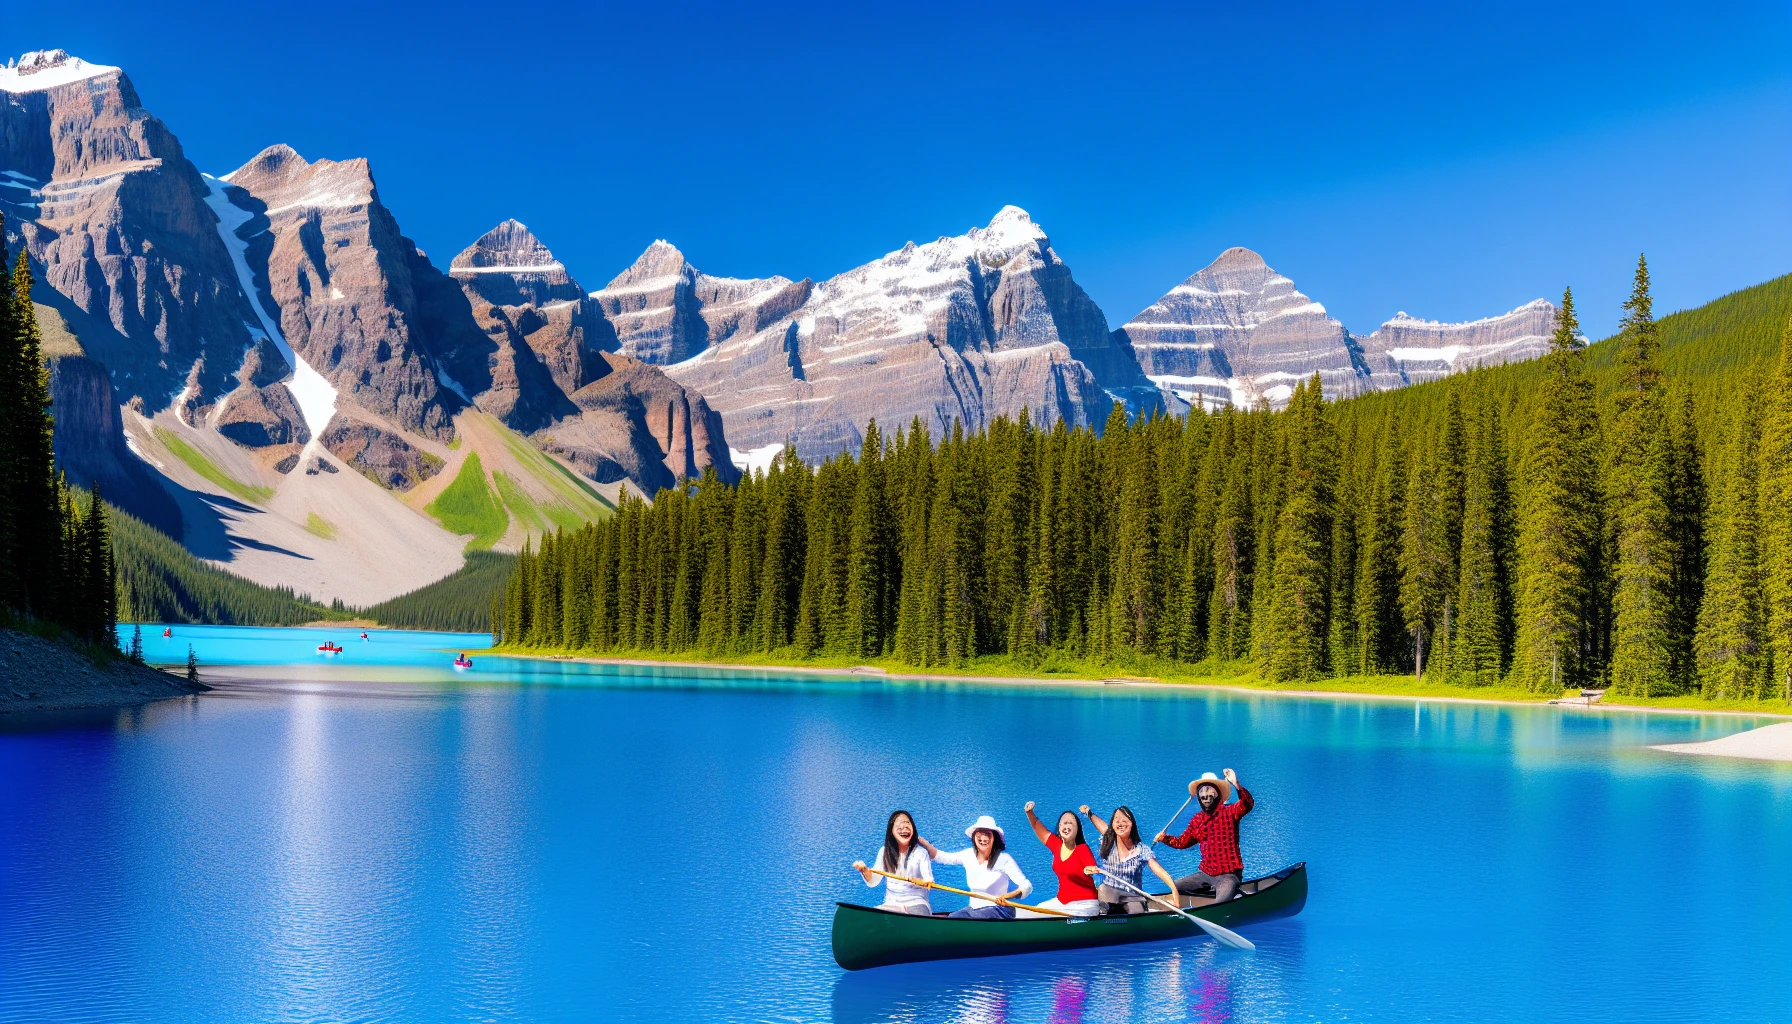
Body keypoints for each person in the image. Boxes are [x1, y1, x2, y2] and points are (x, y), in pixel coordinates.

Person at [1156, 769, 1253, 903]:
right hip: (1205, 875)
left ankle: (1231, 898)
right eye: (1202, 792)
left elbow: (1247, 804)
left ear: (1218, 794)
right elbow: (1182, 842)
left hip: (1228, 876)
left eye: (1209, 792)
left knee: (1221, 902)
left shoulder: (1230, 812)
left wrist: (1236, 783)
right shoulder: (1197, 820)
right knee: (1173, 887)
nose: (1205, 796)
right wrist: (1164, 838)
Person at [918, 815, 1032, 919]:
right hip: (974, 910)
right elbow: (940, 856)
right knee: (953, 917)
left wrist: (1008, 896)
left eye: (988, 833)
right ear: (974, 836)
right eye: (980, 833)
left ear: (994, 838)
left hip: (1000, 910)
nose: (983, 837)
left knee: (962, 918)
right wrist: (920, 840)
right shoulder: (968, 855)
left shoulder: (1004, 859)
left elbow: (1026, 886)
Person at [1081, 803, 1180, 914]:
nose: (1120, 823)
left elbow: (1157, 869)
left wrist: (1174, 890)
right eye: (1116, 820)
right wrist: (1089, 813)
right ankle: (1107, 918)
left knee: (1136, 911)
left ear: (1131, 823)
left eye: (1124, 820)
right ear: (1112, 826)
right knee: (1103, 888)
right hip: (1111, 894)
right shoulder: (1109, 842)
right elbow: (1102, 826)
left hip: (1133, 896)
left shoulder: (1142, 849)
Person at [1022, 801, 1100, 918]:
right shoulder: (1056, 845)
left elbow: (1092, 868)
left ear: (1077, 829)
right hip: (1062, 902)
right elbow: (1037, 825)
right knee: (1036, 911)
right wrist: (1029, 813)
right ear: (1059, 828)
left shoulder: (1082, 849)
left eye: (1070, 823)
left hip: (1085, 904)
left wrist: (1090, 870)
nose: (1066, 826)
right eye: (1063, 823)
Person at [853, 810, 934, 915]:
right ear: (892, 831)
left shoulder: (921, 853)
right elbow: (873, 881)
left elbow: (928, 879)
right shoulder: (884, 852)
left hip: (917, 903)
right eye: (899, 827)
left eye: (907, 824)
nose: (904, 829)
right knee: (870, 915)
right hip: (891, 904)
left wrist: (925, 882)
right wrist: (864, 870)